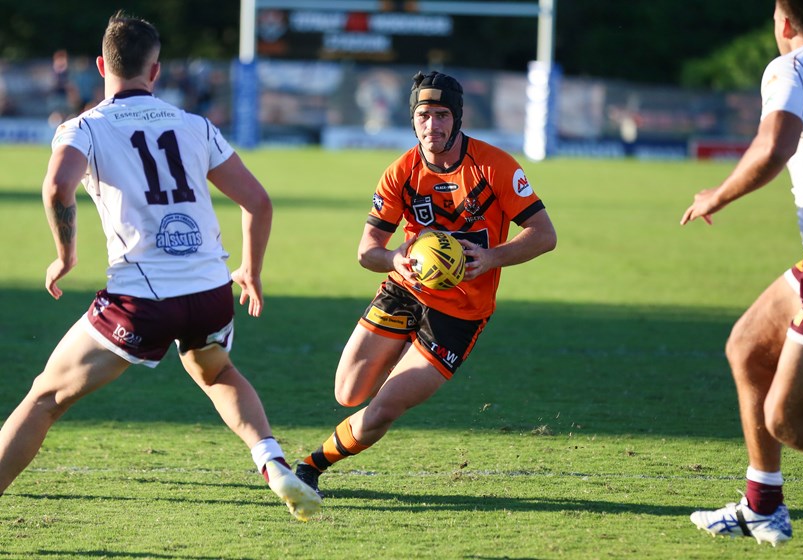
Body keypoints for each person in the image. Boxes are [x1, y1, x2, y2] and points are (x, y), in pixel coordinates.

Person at [0, 11, 321, 522]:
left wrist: (65, 255)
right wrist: (251, 270)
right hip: (210, 292)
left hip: (141, 300)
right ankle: (273, 462)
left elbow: (58, 188)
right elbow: (258, 202)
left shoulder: (84, 127)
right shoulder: (195, 125)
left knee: (45, 397)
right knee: (216, 372)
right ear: (155, 71)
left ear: (101, 65)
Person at [294, 70, 557, 497]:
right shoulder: (401, 172)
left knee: (383, 409)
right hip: (404, 290)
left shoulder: (495, 166)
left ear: (457, 118)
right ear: (412, 119)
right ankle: (403, 354)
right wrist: (394, 258)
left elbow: (544, 235)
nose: (432, 125)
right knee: (348, 392)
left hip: (460, 315)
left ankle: (309, 467)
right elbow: (367, 251)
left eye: (442, 115)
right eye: (423, 115)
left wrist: (492, 257)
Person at [681, 0, 803, 546]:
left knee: (790, 419)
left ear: (786, 23)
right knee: (748, 346)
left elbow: (773, 147)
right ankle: (762, 507)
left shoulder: (792, 67)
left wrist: (717, 195)